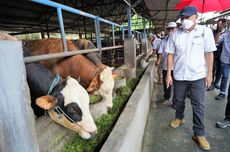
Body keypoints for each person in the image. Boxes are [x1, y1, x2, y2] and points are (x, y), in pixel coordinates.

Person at [165, 6, 216, 151]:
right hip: (180, 75)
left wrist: (210, 73)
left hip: (198, 75)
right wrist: (169, 74)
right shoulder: (175, 34)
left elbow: (209, 53)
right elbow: (170, 54)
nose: (184, 20)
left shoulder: (205, 32)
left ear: (196, 17)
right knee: (178, 100)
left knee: (198, 104)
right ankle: (179, 117)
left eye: (187, 17)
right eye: (182, 18)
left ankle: (199, 133)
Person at [155, 22, 177, 104]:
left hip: (177, 66)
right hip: (166, 66)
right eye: (169, 29)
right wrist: (158, 61)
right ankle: (167, 96)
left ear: (176, 29)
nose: (171, 30)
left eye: (173, 28)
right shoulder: (163, 41)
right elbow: (160, 52)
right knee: (166, 83)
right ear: (167, 30)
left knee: (177, 85)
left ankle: (176, 100)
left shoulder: (179, 40)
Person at [208, 19, 227, 91]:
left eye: (220, 24)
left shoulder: (227, 33)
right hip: (214, 53)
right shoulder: (213, 32)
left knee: (220, 69)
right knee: (213, 68)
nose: (219, 25)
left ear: (224, 24)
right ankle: (211, 83)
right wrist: (218, 32)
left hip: (223, 54)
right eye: (218, 24)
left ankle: (216, 82)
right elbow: (214, 42)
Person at [215, 30, 230, 100]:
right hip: (225, 60)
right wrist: (219, 31)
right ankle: (222, 92)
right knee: (225, 77)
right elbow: (217, 42)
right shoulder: (225, 35)